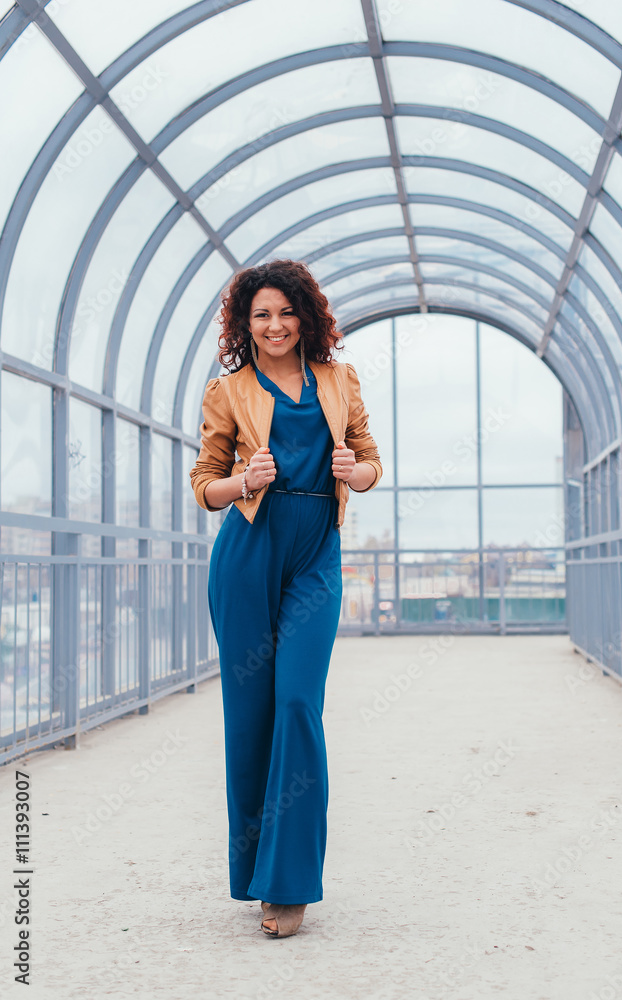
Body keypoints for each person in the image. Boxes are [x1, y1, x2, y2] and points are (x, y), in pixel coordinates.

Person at [189, 258, 382, 938]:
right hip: (248, 552)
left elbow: (370, 463)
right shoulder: (229, 390)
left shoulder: (338, 380)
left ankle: (291, 883)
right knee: (251, 714)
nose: (274, 324)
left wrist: (351, 471)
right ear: (246, 324)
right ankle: (258, 880)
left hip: (313, 556)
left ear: (306, 315)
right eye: (260, 314)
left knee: (298, 702)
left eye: (284, 311)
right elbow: (203, 483)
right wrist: (242, 480)